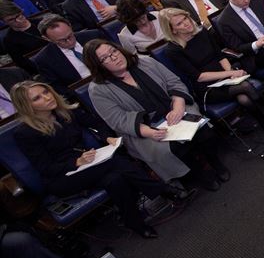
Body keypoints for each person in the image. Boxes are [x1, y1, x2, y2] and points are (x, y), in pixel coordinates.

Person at [12, 80, 185, 239]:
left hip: (89, 164)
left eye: (45, 92)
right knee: (114, 162)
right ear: (27, 106)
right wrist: (76, 162)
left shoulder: (64, 112)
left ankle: (134, 222)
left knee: (114, 179)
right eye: (37, 98)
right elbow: (45, 168)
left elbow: (97, 123)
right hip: (62, 176)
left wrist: (107, 137)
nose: (46, 97)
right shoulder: (24, 133)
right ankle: (161, 189)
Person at [85, 39, 229, 191]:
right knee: (173, 148)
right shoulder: (98, 90)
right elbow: (119, 120)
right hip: (144, 128)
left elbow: (174, 82)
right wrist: (151, 132)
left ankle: (216, 163)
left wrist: (178, 107)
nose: (114, 57)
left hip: (174, 107)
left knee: (202, 130)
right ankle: (199, 175)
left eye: (113, 51)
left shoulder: (144, 62)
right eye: (105, 58)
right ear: (98, 66)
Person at [160, 8, 264, 140]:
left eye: (185, 18)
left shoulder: (202, 32)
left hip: (225, 75)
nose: (186, 23)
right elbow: (199, 77)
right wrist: (229, 74)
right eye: (179, 23)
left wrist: (231, 74)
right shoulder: (173, 50)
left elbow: (220, 55)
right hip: (207, 87)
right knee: (245, 87)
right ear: (172, 30)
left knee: (244, 97)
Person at [33, 14, 102, 96]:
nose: (69, 41)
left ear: (70, 26)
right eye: (62, 40)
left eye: (70, 36)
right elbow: (59, 89)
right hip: (87, 94)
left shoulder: (94, 36)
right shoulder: (44, 59)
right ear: (47, 38)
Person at [0, 1, 46, 73]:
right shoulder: (9, 40)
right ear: (4, 22)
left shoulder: (41, 23)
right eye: (11, 19)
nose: (18, 20)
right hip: (41, 69)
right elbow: (23, 64)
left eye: (18, 15)